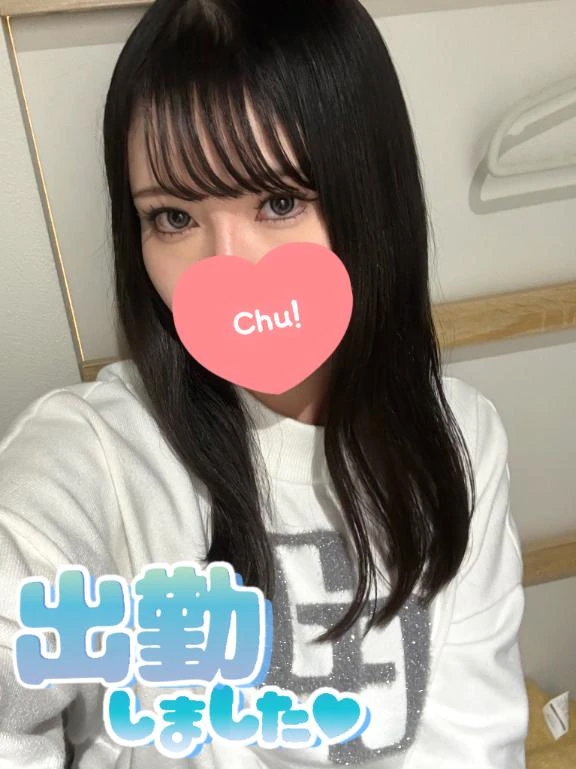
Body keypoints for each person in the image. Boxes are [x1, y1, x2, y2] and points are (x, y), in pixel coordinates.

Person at [0, 0, 529, 766]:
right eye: (173, 217)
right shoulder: (92, 454)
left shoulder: (461, 439)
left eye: (279, 203)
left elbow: (478, 739)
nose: (225, 271)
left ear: (371, 202)